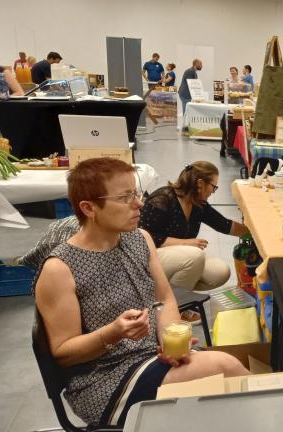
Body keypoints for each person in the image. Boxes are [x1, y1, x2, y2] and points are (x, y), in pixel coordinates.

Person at [34, 157, 249, 427]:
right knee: (224, 369)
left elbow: (164, 298)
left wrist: (172, 340)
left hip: (149, 354)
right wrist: (113, 333)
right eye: (125, 197)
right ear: (89, 208)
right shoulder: (59, 269)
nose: (139, 203)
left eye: (136, 193)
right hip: (104, 380)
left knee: (224, 388)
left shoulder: (140, 239)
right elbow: (64, 352)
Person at [138, 161, 248, 313]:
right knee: (195, 256)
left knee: (220, 272)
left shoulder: (198, 204)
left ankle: (165, 293)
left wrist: (253, 233)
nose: (213, 191)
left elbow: (224, 225)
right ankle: (174, 309)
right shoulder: (163, 199)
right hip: (150, 257)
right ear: (201, 183)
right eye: (213, 187)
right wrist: (185, 243)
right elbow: (144, 237)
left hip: (180, 257)